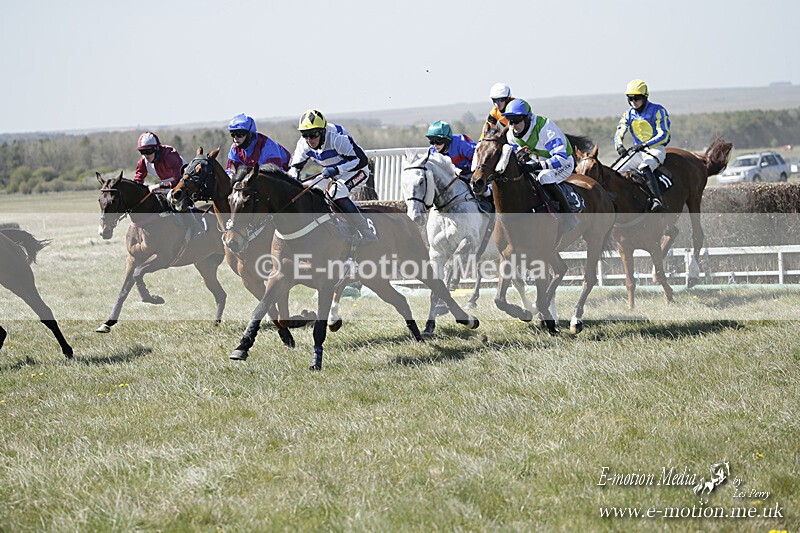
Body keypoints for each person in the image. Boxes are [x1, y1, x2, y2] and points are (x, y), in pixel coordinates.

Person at [289, 109, 377, 243]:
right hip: (333, 173)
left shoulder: (337, 139)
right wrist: (293, 182)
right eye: (305, 135)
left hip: (357, 170)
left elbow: (362, 160)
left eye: (313, 134)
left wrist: (337, 169)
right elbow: (294, 167)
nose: (309, 140)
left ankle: (366, 232)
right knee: (309, 190)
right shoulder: (303, 144)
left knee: (335, 193)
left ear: (322, 131)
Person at [501, 98, 579, 232]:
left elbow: (560, 158)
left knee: (544, 177)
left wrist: (536, 166)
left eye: (517, 120)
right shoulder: (511, 135)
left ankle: (568, 217)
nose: (513, 125)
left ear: (527, 118)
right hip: (538, 162)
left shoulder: (545, 128)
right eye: (510, 120)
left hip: (563, 163)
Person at [613, 79, 670, 212]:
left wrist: (645, 144)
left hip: (656, 149)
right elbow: (619, 132)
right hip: (638, 152)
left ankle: (657, 200)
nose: (633, 102)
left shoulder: (658, 110)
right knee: (615, 173)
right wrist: (619, 146)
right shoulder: (628, 114)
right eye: (630, 98)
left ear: (645, 97)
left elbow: (664, 134)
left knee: (645, 167)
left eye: (637, 98)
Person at [226, 113, 292, 176]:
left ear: (250, 134)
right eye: (233, 134)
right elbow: (230, 170)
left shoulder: (268, 147)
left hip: (287, 174)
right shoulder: (234, 148)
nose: (236, 137)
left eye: (240, 133)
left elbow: (276, 176)